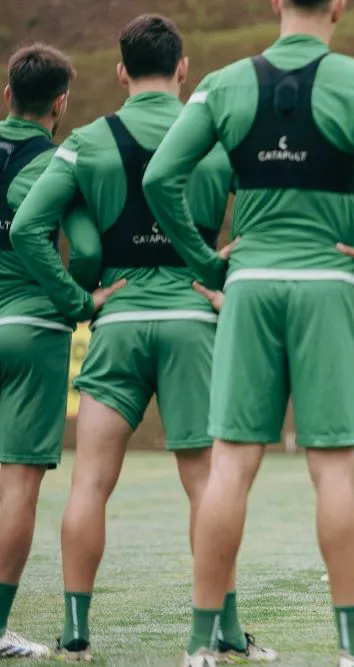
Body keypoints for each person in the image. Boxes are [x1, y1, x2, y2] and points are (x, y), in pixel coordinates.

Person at [141, 0, 354, 664]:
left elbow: (161, 176)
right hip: (330, 285)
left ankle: (198, 648)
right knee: (333, 470)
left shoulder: (221, 83)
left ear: (275, 2)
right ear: (339, 5)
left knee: (230, 468)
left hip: (248, 285)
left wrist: (209, 260)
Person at [10, 15, 277, 662]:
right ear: (183, 68)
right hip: (193, 325)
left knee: (90, 483)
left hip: (118, 325)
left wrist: (79, 299)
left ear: (121, 70)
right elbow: (272, 217)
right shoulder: (218, 143)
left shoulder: (84, 142)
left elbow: (26, 229)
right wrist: (223, 277)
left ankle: (75, 633)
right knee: (207, 485)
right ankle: (227, 631)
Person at [0, 42, 102, 661]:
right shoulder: (56, 163)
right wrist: (78, 298)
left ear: (8, 94)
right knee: (17, 487)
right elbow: (86, 248)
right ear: (60, 103)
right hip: (32, 329)